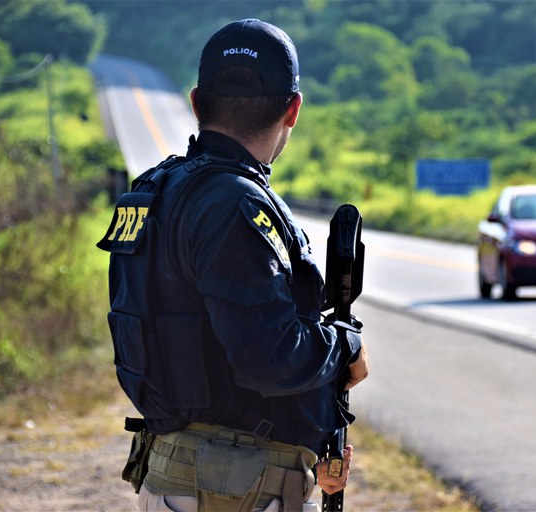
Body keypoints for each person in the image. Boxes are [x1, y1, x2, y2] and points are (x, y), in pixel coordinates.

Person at [97, 18, 369, 512]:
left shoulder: (153, 190)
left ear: (198, 103)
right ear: (293, 110)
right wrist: (345, 346)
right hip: (235, 484)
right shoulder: (235, 207)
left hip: (181, 470)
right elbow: (272, 360)